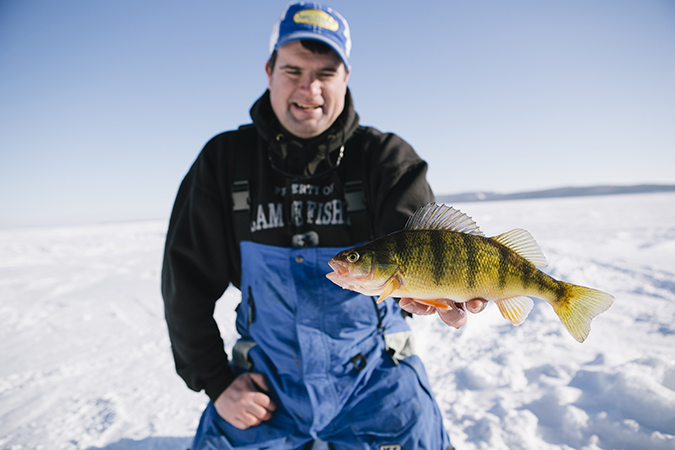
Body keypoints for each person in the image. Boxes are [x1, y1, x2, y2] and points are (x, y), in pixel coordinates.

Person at [161, 2, 485, 449]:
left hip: (375, 381)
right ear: (269, 70)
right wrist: (216, 382)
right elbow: (185, 283)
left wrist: (435, 296)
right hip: (265, 387)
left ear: (345, 77)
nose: (308, 88)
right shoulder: (223, 162)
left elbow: (420, 248)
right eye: (293, 70)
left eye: (325, 73)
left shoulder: (385, 159)